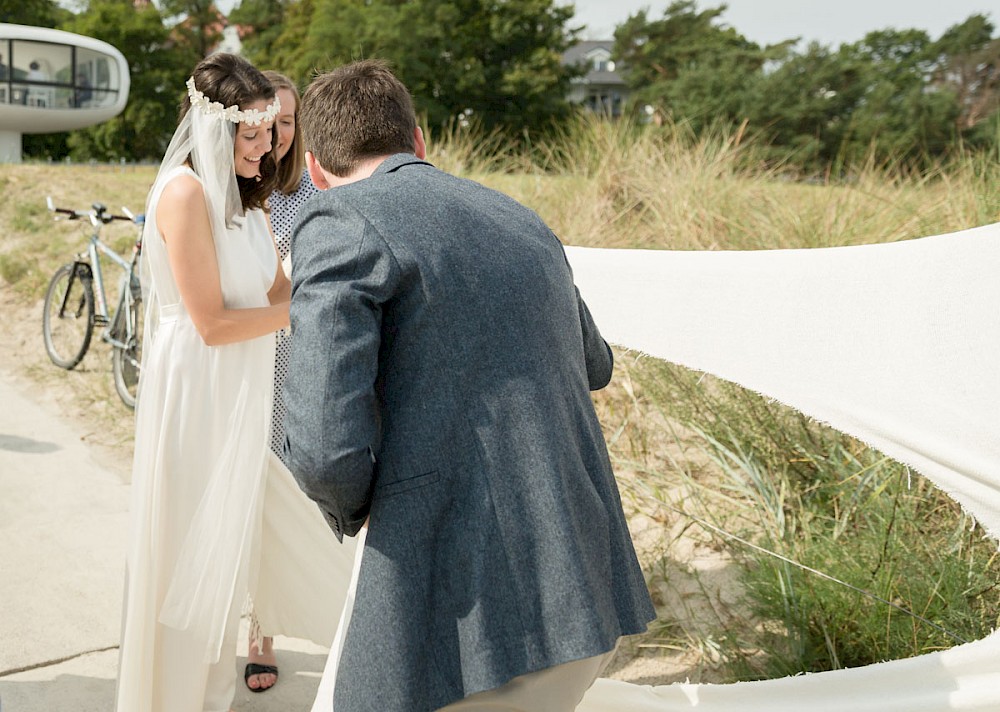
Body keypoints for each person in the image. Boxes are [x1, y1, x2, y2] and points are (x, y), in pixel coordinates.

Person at [284, 59, 656, 712]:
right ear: (419, 141)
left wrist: (359, 510)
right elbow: (595, 364)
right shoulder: (519, 216)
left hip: (465, 609)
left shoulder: (336, 220)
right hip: (585, 589)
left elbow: (322, 447)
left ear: (314, 169)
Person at [115, 52, 353, 712]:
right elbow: (215, 323)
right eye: (251, 132)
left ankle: (213, 691)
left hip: (244, 391)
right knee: (192, 545)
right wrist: (300, 312)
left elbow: (276, 288)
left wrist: (328, 268)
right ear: (215, 129)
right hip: (198, 391)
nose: (267, 144)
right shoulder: (185, 194)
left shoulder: (249, 200)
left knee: (237, 545)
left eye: (271, 129)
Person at [237, 69, 322, 695]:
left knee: (293, 493)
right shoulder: (238, 192)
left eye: (289, 122)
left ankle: (279, 620)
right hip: (244, 359)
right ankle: (255, 634)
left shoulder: (313, 197)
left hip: (297, 360)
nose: (280, 134)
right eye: (271, 122)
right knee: (248, 495)